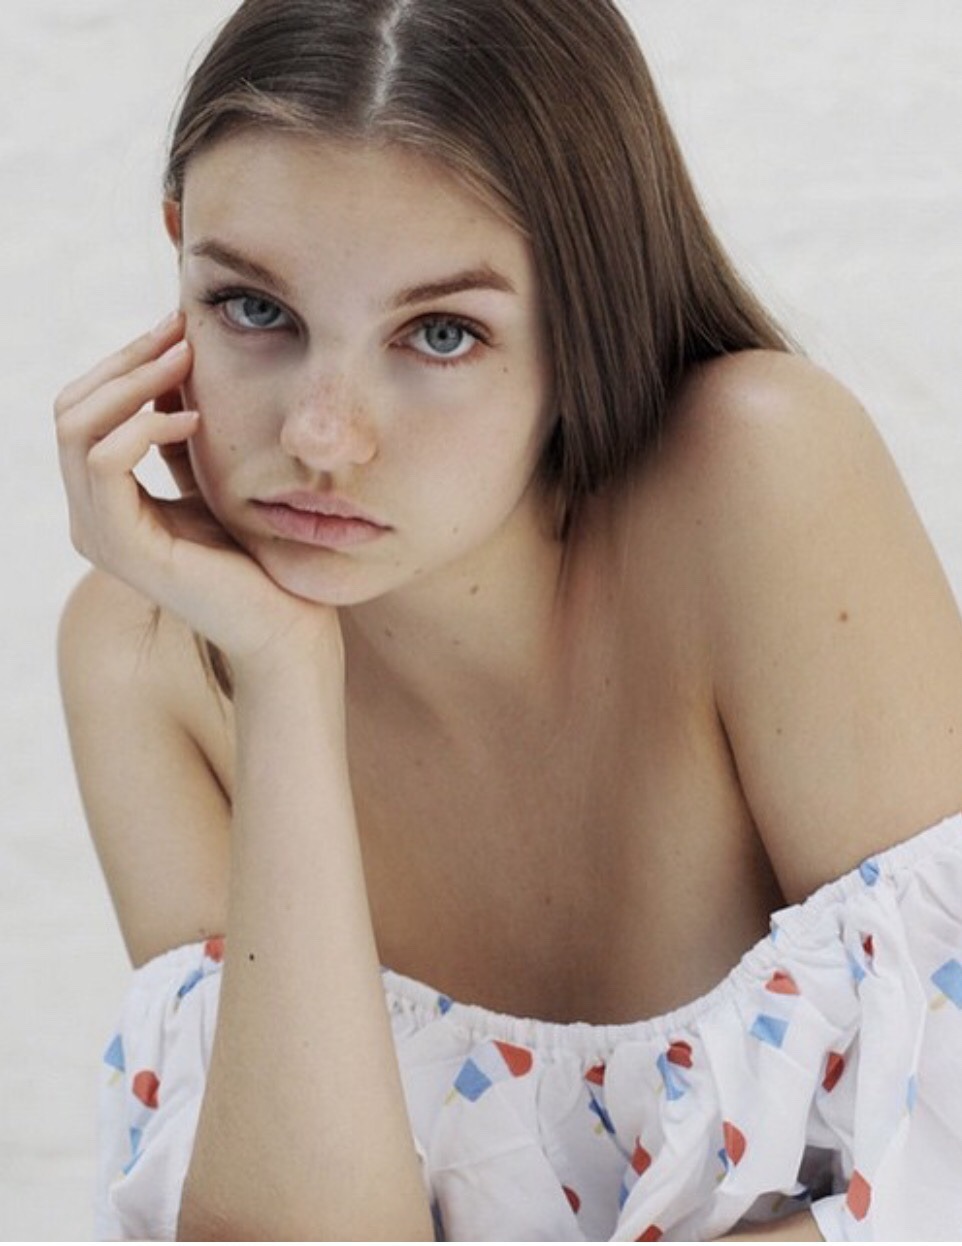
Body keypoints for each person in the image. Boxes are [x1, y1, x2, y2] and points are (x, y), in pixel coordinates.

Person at [55, 0, 962, 1240]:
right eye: (253, 309)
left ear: (583, 314)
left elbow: (941, 1164)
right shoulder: (142, 654)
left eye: (440, 332)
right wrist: (282, 676)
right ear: (178, 258)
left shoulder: (754, 478)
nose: (321, 436)